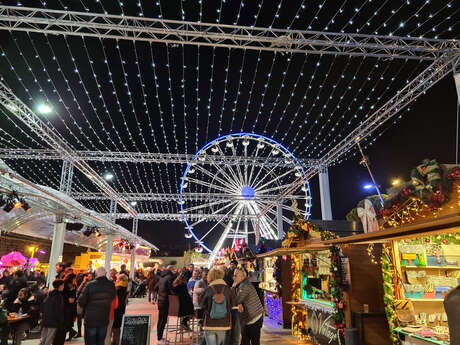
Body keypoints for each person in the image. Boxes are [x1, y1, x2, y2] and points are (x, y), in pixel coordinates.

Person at [78, 267, 116, 345]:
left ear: (96, 274)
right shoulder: (111, 285)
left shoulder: (90, 285)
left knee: (90, 341)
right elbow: (113, 297)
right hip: (104, 317)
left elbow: (81, 301)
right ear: (105, 274)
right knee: (101, 341)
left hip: (91, 319)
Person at [199, 268, 235, 345]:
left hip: (209, 323)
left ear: (210, 276)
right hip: (224, 323)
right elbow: (233, 304)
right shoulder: (228, 289)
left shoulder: (208, 289)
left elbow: (201, 304)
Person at [233, 268, 264, 345]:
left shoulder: (245, 286)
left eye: (236, 275)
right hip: (249, 318)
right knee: (245, 341)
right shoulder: (242, 285)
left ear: (243, 277)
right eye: (234, 275)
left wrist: (233, 287)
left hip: (254, 317)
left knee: (254, 341)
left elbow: (236, 300)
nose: (234, 277)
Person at [39, 279, 65, 345]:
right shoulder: (58, 296)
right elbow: (58, 310)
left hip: (46, 319)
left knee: (43, 339)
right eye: (63, 285)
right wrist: (60, 321)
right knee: (49, 340)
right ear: (60, 286)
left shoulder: (49, 295)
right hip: (53, 321)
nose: (63, 287)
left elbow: (43, 306)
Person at [155, 266, 175, 345]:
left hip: (160, 300)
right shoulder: (169, 277)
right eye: (173, 270)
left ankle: (159, 337)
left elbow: (155, 287)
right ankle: (159, 339)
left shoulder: (162, 277)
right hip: (165, 301)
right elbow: (172, 289)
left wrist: (160, 293)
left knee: (160, 320)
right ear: (171, 270)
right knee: (163, 320)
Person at [76, 272, 94, 338]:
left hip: (88, 303)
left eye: (90, 276)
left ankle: (87, 333)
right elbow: (78, 291)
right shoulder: (83, 283)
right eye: (88, 276)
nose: (88, 278)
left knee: (87, 319)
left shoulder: (93, 284)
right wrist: (83, 282)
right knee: (79, 317)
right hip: (81, 302)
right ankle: (79, 332)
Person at [111, 274, 128, 345]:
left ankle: (115, 342)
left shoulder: (117, 288)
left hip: (116, 310)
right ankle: (115, 341)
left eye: (117, 279)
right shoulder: (125, 287)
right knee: (118, 326)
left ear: (121, 280)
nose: (116, 280)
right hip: (121, 309)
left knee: (115, 327)